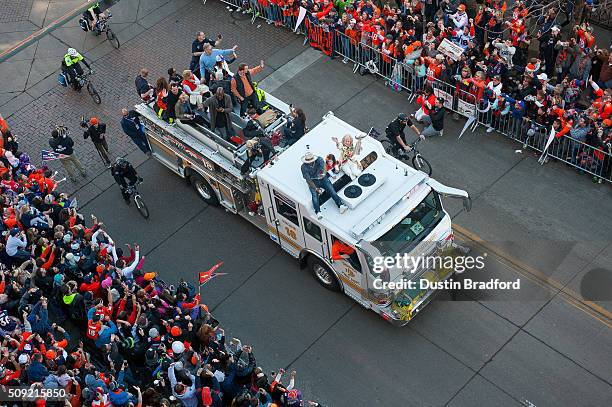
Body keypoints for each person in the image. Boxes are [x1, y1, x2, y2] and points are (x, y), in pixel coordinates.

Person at [301, 152, 348, 219]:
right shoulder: (303, 167)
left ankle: (340, 205)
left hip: (323, 178)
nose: (310, 162)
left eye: (311, 160)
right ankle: (318, 212)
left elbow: (324, 167)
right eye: (308, 161)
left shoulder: (319, 159)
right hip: (313, 181)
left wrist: (323, 174)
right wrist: (316, 188)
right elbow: (308, 179)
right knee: (314, 195)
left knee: (331, 190)